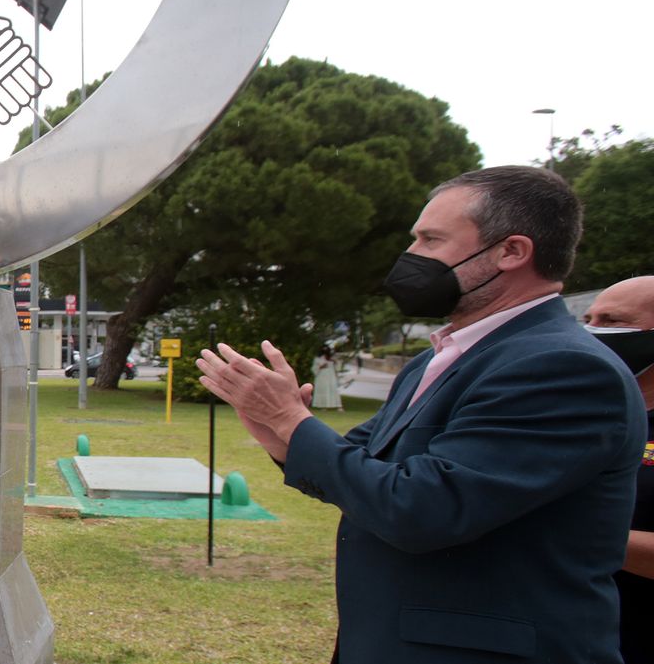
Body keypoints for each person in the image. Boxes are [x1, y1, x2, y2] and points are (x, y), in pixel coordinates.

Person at [195, 166, 644, 663]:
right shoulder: (437, 359)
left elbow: (422, 510)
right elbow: (365, 462)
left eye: (431, 240)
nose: (411, 257)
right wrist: (281, 434)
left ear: (512, 252)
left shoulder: (561, 367)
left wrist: (289, 420)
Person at [584, 275, 654, 664]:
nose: (592, 332)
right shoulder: (581, 413)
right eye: (590, 319)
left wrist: (573, 532)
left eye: (611, 321)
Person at [309, 345, 342, 411]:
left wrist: (336, 362)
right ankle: (323, 406)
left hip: (331, 377)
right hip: (321, 377)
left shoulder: (332, 359)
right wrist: (321, 367)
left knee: (333, 390)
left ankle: (339, 406)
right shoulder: (317, 359)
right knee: (323, 390)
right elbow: (314, 369)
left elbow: (337, 368)